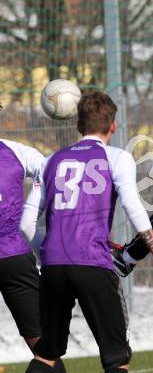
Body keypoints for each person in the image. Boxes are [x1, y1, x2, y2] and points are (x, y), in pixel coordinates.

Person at [20, 91, 153, 373]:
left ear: (78, 126)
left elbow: (26, 224)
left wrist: (48, 249)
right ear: (113, 126)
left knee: (46, 354)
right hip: (93, 261)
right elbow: (132, 206)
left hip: (54, 266)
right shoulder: (117, 157)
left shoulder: (51, 161)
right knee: (116, 359)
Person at [0, 138, 65, 373]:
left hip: (14, 259)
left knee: (46, 348)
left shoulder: (16, 151)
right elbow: (52, 171)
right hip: (15, 258)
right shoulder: (16, 151)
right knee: (46, 349)